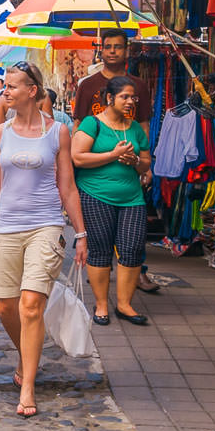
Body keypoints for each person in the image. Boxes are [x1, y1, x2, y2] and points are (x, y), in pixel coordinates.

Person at [0, 62, 89, 419]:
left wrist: (79, 233)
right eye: (5, 86)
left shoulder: (58, 132)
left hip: (46, 226)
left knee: (31, 304)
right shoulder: (0, 134)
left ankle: (28, 384)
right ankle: (26, 353)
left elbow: (67, 187)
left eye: (13, 86)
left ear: (32, 91)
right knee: (6, 305)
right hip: (6, 227)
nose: (6, 91)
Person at [70, 75, 153, 326]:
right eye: (124, 97)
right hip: (96, 195)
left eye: (133, 97)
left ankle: (125, 305)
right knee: (100, 249)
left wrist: (136, 162)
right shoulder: (92, 123)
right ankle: (102, 305)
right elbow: (77, 157)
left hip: (132, 198)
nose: (130, 102)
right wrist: (113, 155)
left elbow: (147, 162)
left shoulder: (135, 128)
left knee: (132, 249)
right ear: (110, 98)